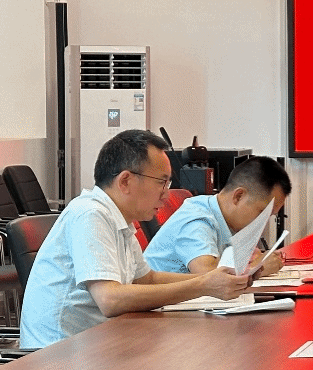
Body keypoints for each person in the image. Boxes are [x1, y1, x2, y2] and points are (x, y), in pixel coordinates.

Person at [19, 130, 251, 349]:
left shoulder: (119, 217)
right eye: (161, 182)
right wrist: (203, 286)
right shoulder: (90, 214)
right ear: (125, 181)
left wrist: (214, 280)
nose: (166, 194)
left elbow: (146, 279)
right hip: (58, 356)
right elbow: (110, 299)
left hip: (96, 345)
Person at [146, 156, 292, 275]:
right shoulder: (198, 220)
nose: (263, 224)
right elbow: (208, 275)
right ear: (238, 196)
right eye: (262, 213)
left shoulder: (226, 218)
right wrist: (259, 268)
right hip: (161, 302)